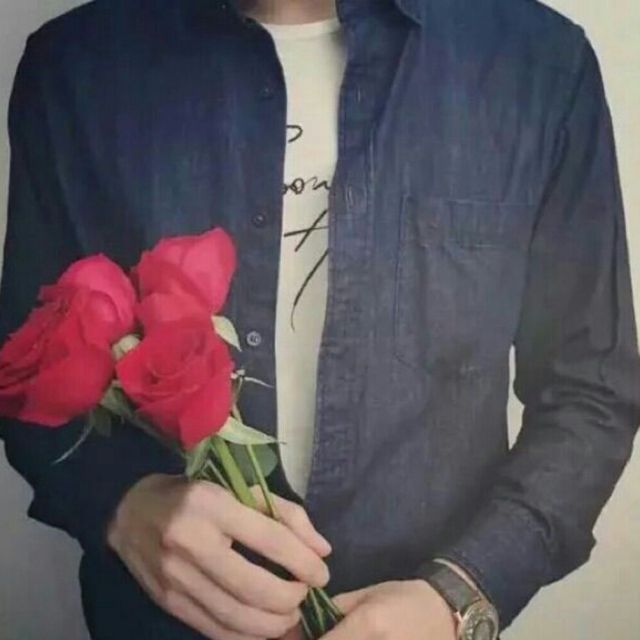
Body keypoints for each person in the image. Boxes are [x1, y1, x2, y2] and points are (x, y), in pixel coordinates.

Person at [2, 0, 639, 638]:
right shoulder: (75, 69)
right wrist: (119, 503)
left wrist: (460, 595)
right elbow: (24, 369)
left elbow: (591, 391)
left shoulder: (539, 66)